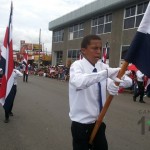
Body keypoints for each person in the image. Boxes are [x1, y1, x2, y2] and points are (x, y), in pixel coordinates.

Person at [69, 35, 128, 150]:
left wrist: (117, 82)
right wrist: (105, 74)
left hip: (98, 122)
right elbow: (79, 82)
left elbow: (126, 82)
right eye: (94, 48)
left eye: (100, 48)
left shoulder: (102, 66)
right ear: (83, 51)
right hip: (81, 124)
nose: (98, 51)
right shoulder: (77, 66)